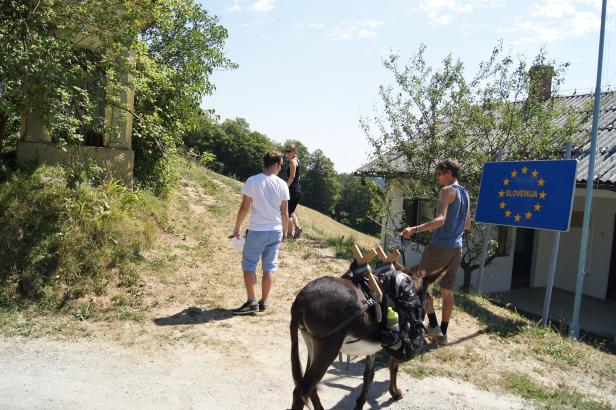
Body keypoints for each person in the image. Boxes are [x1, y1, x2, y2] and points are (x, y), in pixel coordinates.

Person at [400, 159, 471, 345]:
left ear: (448, 173)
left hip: (441, 246)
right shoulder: (465, 193)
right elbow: (467, 224)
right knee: (447, 290)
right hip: (457, 248)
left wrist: (413, 229)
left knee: (420, 283)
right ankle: (443, 334)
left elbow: (440, 220)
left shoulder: (447, 191)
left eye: (439, 173)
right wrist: (451, 230)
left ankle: (432, 325)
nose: (437, 177)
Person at [231, 151, 290, 315]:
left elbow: (244, 207)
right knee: (268, 267)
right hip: (275, 231)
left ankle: (252, 302)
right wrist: (285, 231)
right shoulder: (283, 184)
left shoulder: (252, 181)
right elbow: (285, 212)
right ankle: (264, 301)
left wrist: (237, 227)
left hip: (257, 230)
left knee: (249, 265)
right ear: (277, 165)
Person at [285, 144, 303, 239]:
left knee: (287, 212)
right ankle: (297, 228)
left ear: (295, 152)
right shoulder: (299, 162)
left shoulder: (292, 161)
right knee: (291, 211)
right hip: (297, 189)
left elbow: (292, 177)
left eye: (289, 151)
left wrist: (285, 187)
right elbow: (298, 177)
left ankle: (289, 233)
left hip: (292, 189)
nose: (287, 153)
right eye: (287, 151)